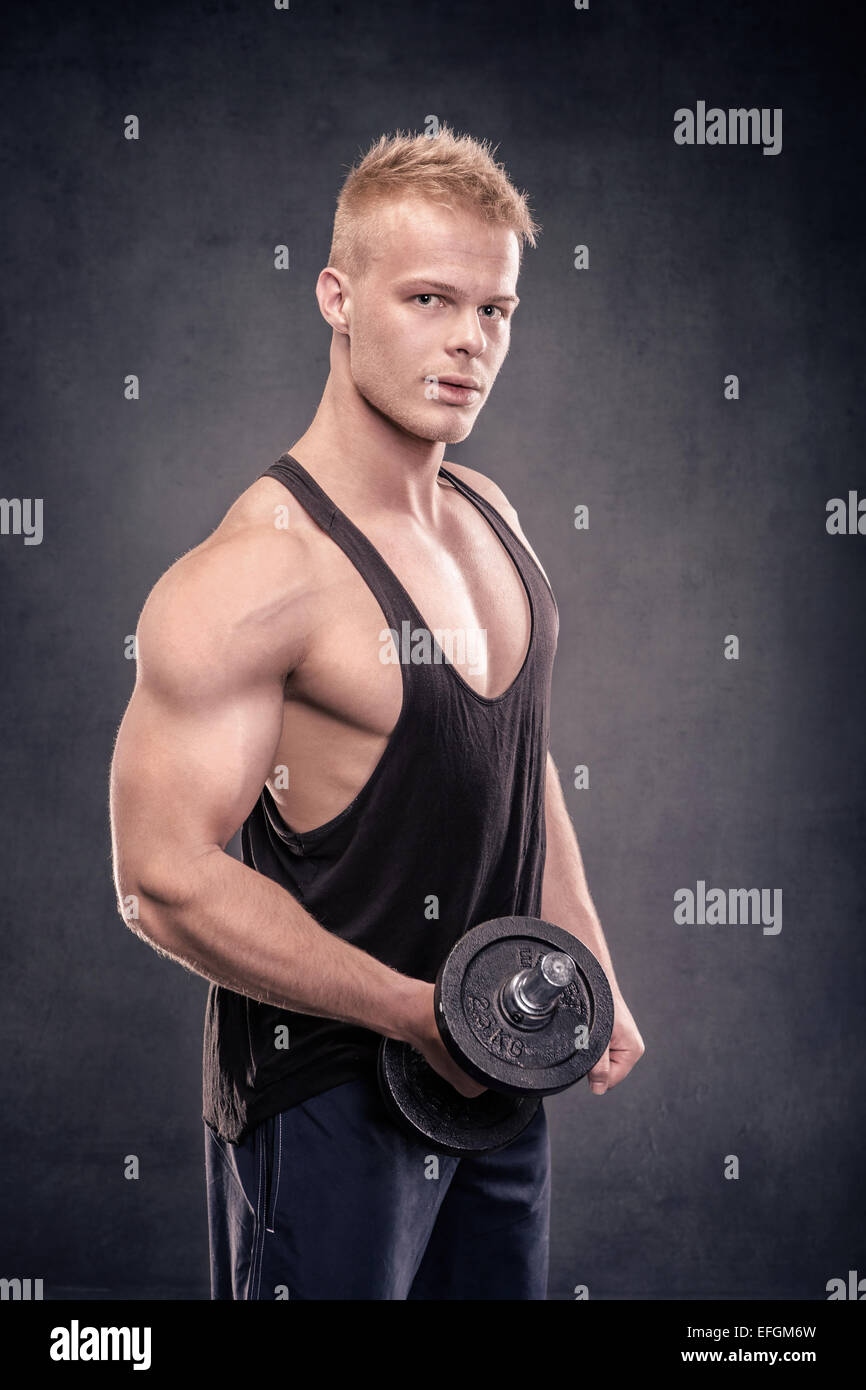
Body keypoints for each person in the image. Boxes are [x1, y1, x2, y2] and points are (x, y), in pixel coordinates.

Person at [109, 124, 645, 1301]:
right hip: (325, 1099)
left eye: (495, 309)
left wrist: (580, 955)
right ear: (336, 296)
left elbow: (511, 757)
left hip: (488, 1074)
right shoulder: (256, 574)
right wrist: (414, 1013)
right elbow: (160, 876)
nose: (467, 340)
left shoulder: (489, 512)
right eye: (428, 298)